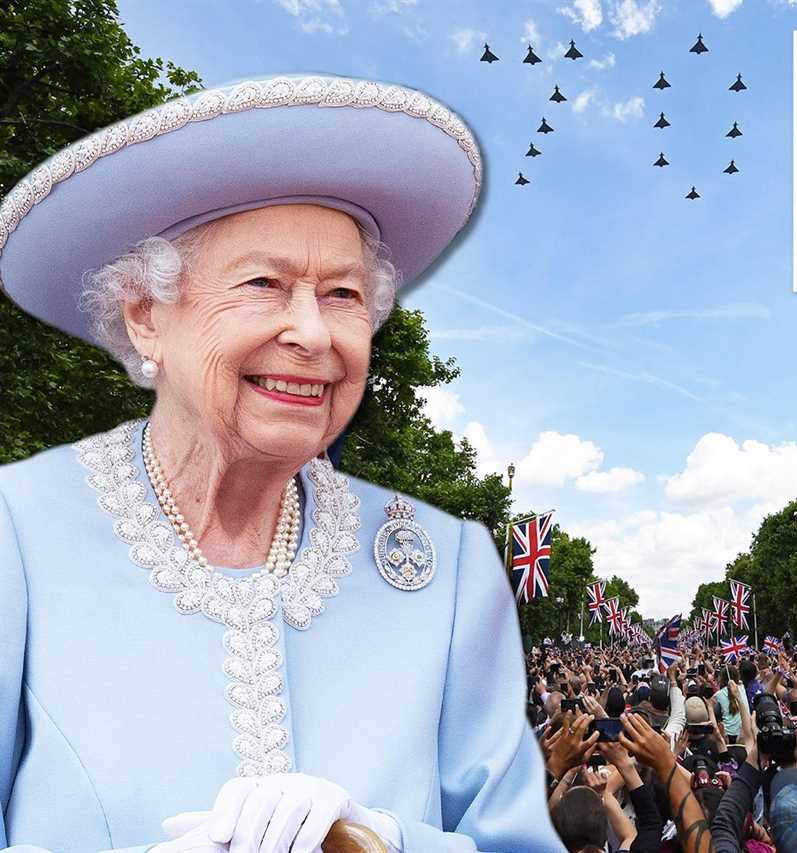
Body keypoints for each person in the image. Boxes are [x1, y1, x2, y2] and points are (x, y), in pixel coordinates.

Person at [0, 74, 560, 852]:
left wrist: (381, 841)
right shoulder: (16, 529)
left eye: (341, 294)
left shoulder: (452, 566)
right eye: (264, 284)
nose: (313, 332)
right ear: (145, 315)